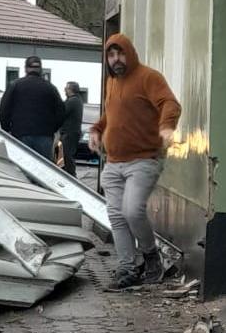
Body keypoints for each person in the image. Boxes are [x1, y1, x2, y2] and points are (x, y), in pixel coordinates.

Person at [91, 34, 181, 290]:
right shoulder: (112, 82)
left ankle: (151, 255)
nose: (116, 60)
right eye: (111, 55)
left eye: (120, 54)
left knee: (132, 211)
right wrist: (97, 129)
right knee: (117, 217)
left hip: (144, 159)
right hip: (113, 162)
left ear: (129, 53)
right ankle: (127, 269)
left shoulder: (148, 77)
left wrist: (166, 128)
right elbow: (112, 113)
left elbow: (170, 103)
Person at [0, 55, 63, 159]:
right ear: (40, 69)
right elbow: (61, 112)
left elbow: (3, 111)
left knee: (21, 170)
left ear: (26, 69)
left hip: (20, 134)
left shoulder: (15, 85)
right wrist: (51, 129)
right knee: (43, 171)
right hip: (44, 136)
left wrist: (7, 130)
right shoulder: (50, 88)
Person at [57, 80, 85, 177]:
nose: (64, 90)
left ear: (71, 90)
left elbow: (60, 112)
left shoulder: (72, 101)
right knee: (65, 156)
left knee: (66, 156)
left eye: (66, 88)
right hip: (71, 133)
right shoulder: (77, 100)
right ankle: (67, 175)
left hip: (69, 133)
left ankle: (71, 176)